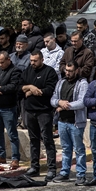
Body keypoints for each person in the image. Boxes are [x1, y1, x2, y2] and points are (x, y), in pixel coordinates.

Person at [20, 51, 59, 180]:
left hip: (44, 111)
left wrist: (34, 92)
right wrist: (30, 87)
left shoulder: (49, 72)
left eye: (35, 61)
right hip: (30, 111)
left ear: (42, 60)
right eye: (31, 60)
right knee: (33, 140)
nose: (32, 63)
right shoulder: (27, 71)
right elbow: (19, 87)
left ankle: (52, 168)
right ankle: (34, 167)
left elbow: (50, 90)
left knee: (47, 139)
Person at [50, 59, 89, 185]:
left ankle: (81, 174)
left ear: (77, 70)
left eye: (71, 71)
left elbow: (82, 102)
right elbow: (53, 98)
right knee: (66, 149)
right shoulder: (61, 82)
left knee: (79, 149)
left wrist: (65, 105)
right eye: (66, 70)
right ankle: (64, 172)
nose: (68, 73)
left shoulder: (82, 83)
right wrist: (58, 103)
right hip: (62, 121)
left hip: (75, 122)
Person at [0, 52, 22, 168]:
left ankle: (15, 157)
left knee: (12, 134)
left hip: (8, 108)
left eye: (2, 62)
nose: (0, 64)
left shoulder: (15, 70)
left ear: (8, 59)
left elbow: (13, 86)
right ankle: (1, 155)